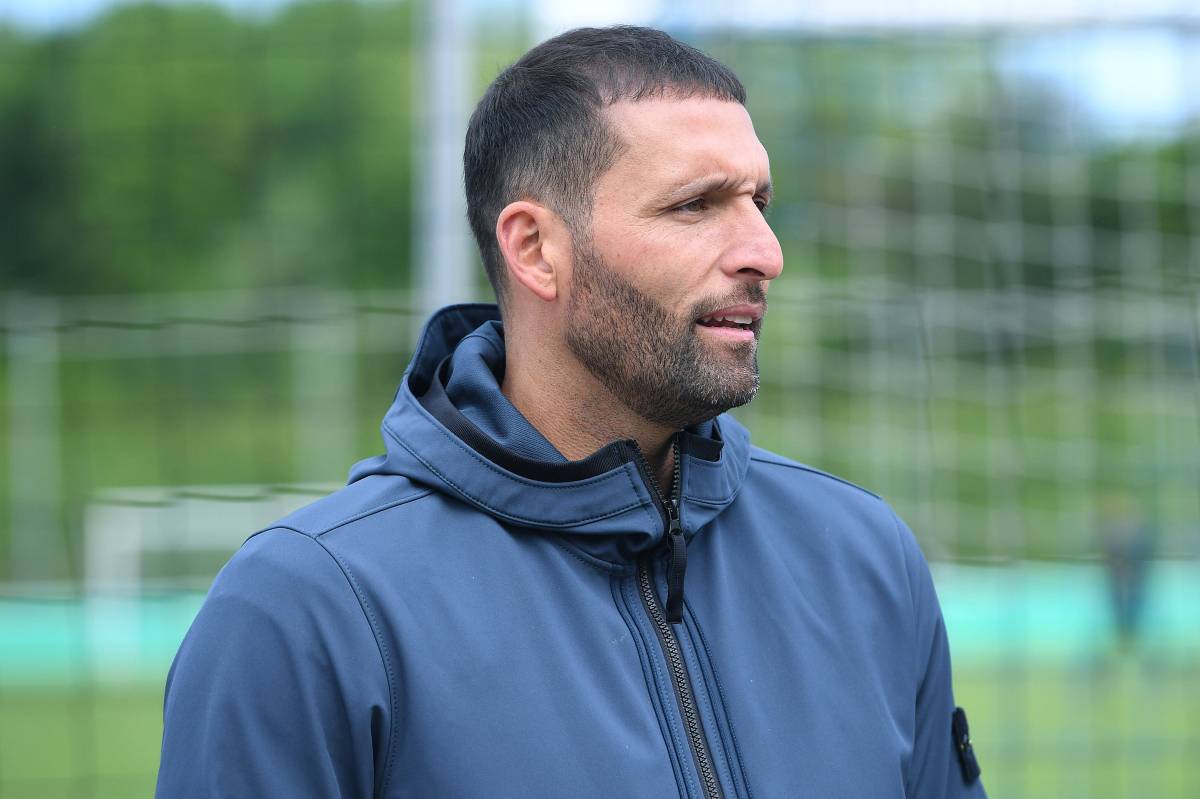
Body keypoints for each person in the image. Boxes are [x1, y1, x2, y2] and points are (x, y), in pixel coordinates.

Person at [156, 26, 985, 798]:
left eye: (758, 201)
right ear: (535, 249)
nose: (763, 252)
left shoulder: (864, 556)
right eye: (696, 205)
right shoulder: (309, 610)